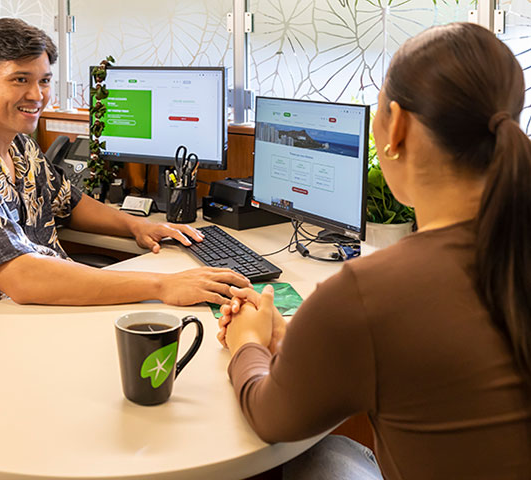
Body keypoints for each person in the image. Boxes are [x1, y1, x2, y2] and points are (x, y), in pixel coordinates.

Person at [217, 22, 531, 479]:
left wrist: (246, 340)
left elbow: (270, 417)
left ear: (396, 126)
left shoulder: (367, 293)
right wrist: (294, 342)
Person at [0, 18, 249, 322]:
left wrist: (137, 225)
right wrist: (162, 285)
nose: (37, 95)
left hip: (30, 308)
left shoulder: (17, 144)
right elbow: (22, 278)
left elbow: (69, 201)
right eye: (20, 79)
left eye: (44, 80)